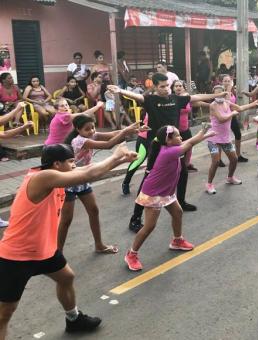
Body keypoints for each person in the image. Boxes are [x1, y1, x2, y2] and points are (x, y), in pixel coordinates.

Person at [0, 143, 137, 339]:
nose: (74, 165)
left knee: (66, 277)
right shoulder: (42, 177)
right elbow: (88, 175)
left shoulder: (56, 175)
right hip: (17, 255)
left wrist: (122, 159)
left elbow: (88, 169)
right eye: (71, 161)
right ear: (56, 164)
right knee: (5, 312)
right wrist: (115, 156)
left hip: (44, 249)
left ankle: (73, 320)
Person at [108, 73, 226, 231]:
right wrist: (120, 91)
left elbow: (195, 97)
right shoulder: (151, 100)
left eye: (167, 86)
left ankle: (182, 202)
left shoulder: (175, 99)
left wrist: (217, 94)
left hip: (175, 144)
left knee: (182, 172)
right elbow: (137, 97)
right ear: (155, 87)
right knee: (148, 180)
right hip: (157, 146)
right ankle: (135, 218)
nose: (165, 89)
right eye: (162, 86)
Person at [124, 125, 215, 271]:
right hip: (154, 193)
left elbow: (188, 142)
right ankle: (131, 254)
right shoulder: (169, 152)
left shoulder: (171, 148)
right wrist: (202, 132)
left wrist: (203, 135)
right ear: (168, 139)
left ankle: (177, 240)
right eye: (178, 136)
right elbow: (190, 143)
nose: (181, 138)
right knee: (149, 226)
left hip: (165, 192)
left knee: (177, 212)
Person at [58, 118, 143, 253]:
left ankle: (99, 245)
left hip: (84, 179)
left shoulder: (91, 135)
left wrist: (132, 130)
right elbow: (108, 145)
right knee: (66, 220)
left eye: (93, 127)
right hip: (70, 180)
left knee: (94, 211)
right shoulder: (79, 140)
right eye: (87, 129)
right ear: (78, 130)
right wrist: (126, 131)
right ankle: (58, 253)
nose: (92, 131)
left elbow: (114, 134)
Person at [205, 84, 258, 194]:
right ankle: (209, 184)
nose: (220, 94)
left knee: (234, 159)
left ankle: (230, 177)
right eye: (217, 92)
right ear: (214, 94)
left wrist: (252, 104)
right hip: (213, 139)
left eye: (222, 92)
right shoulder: (213, 105)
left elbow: (239, 108)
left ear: (225, 93)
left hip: (225, 139)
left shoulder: (227, 103)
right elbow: (221, 119)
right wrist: (233, 113)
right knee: (215, 162)